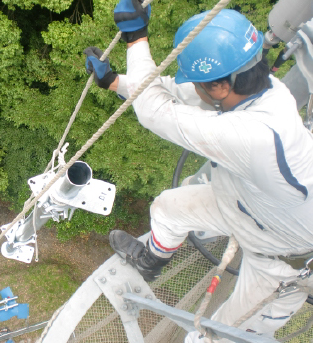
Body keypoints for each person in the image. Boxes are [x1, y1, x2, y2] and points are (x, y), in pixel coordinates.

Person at [84, 1, 313, 341]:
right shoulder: (260, 90)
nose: (197, 89)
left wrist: (136, 38)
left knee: (216, 336)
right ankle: (151, 262)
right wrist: (117, 82)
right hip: (249, 208)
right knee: (167, 209)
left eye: (202, 83)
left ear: (221, 86)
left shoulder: (253, 136)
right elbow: (180, 94)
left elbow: (156, 112)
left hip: (281, 261)